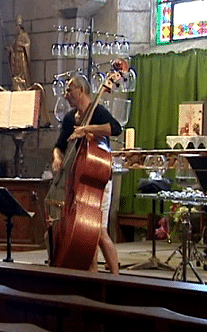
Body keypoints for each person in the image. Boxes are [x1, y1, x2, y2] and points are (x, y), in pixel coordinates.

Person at [51, 75, 122, 275]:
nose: (66, 95)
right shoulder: (69, 118)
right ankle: (91, 278)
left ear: (81, 91)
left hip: (97, 179)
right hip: (77, 181)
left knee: (98, 232)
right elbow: (59, 145)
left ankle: (116, 279)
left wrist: (87, 129)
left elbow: (115, 128)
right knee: (84, 233)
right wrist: (57, 158)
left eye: (69, 90)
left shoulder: (98, 112)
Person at [7, 15, 31, 91]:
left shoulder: (24, 35)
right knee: (16, 72)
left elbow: (27, 44)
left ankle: (24, 86)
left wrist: (22, 45)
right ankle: (17, 86)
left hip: (22, 56)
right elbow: (13, 47)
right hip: (16, 56)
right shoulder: (16, 37)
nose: (16, 28)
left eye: (17, 26)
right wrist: (10, 49)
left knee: (23, 72)